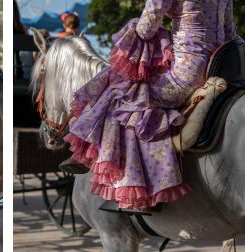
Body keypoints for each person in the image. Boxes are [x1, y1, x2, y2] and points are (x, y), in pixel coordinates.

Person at [60, 0, 237, 212]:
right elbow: (231, 34)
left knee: (120, 95)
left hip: (186, 75)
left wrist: (135, 26)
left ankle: (139, 192)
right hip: (220, 67)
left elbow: (146, 27)